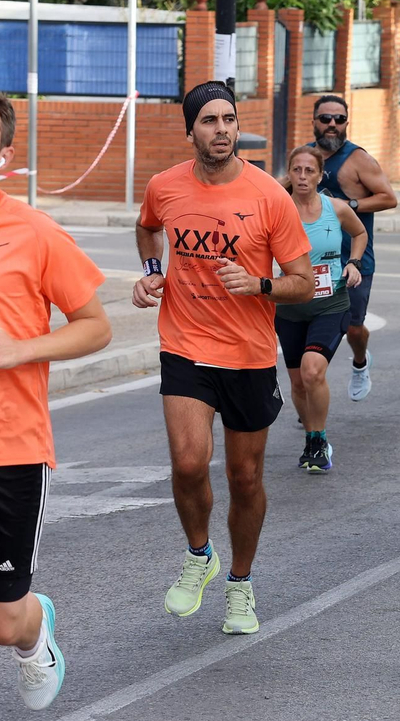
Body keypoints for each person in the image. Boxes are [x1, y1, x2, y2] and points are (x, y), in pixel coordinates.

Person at [135, 81, 315, 636]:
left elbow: (304, 283)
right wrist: (152, 274)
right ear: (190, 130)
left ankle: (240, 582)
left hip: (248, 354)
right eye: (210, 121)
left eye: (229, 120)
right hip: (185, 344)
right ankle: (200, 555)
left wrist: (259, 284)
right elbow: (147, 228)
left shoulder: (269, 196)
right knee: (189, 463)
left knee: (245, 476)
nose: (221, 130)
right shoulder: (165, 186)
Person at [0, 84, 111, 710]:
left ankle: (33, 630)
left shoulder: (33, 232)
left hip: (8, 450)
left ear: (3, 156)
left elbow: (95, 326)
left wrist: (20, 348)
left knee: (1, 622)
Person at [277, 145, 368, 473]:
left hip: (330, 304)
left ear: (320, 176)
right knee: (298, 383)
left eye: (309, 171)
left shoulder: (336, 208)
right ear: (289, 173)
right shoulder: (276, 209)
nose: (302, 176)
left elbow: (360, 233)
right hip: (288, 307)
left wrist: (354, 262)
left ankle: (318, 440)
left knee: (312, 370)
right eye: (296, 170)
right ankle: (311, 436)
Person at [309, 94, 398, 403]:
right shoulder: (306, 159)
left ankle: (360, 362)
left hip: (355, 260)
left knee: (353, 328)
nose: (332, 124)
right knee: (311, 329)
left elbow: (388, 197)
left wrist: (350, 205)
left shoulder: (358, 159)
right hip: (314, 262)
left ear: (346, 122)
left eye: (339, 119)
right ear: (314, 122)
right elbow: (281, 190)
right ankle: (311, 390)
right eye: (326, 119)